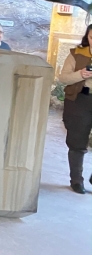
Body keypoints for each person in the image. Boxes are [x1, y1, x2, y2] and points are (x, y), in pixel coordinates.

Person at [57, 24, 92, 194]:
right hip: (80, 101)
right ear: (87, 37)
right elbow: (63, 77)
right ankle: (76, 180)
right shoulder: (76, 54)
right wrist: (80, 75)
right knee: (77, 142)